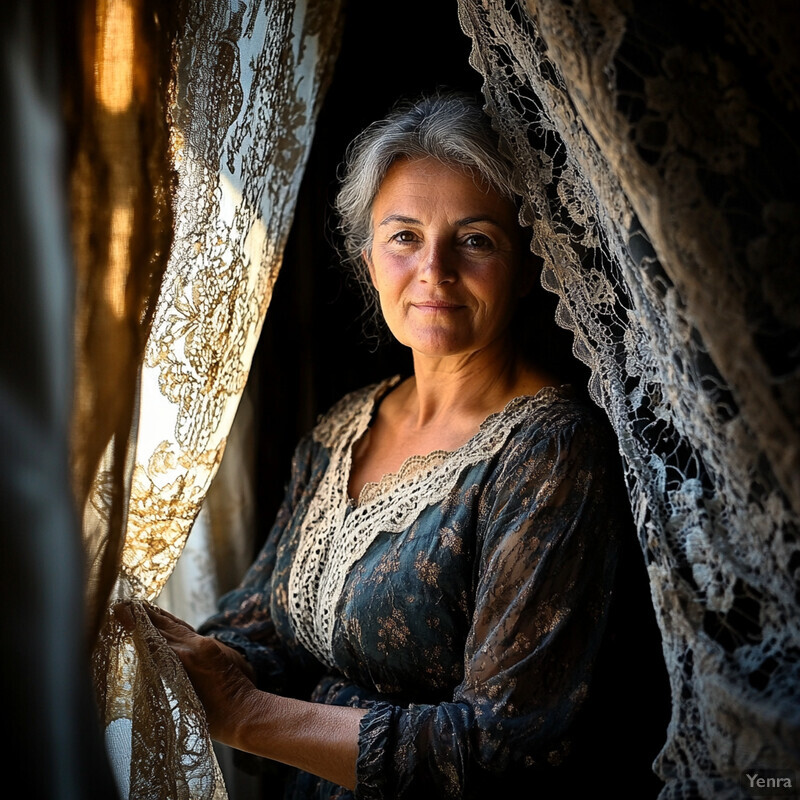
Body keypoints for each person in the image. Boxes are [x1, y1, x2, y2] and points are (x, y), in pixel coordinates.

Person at [146, 90, 644, 798]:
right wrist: (159, 646)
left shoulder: (551, 452)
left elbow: (502, 744)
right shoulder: (343, 427)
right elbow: (262, 625)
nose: (434, 271)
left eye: (475, 240)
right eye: (404, 235)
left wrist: (249, 713)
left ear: (528, 265)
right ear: (367, 258)